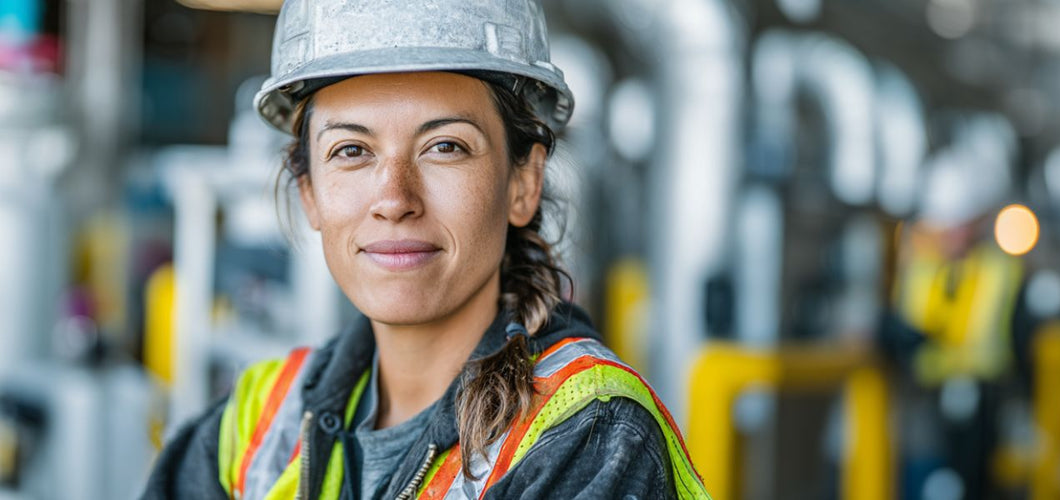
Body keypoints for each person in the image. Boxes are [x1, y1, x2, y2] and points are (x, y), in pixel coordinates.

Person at [140, 0, 707, 498]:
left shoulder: (590, 438)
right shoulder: (260, 423)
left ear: (523, 184)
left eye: (445, 146)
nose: (394, 199)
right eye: (351, 151)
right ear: (309, 192)